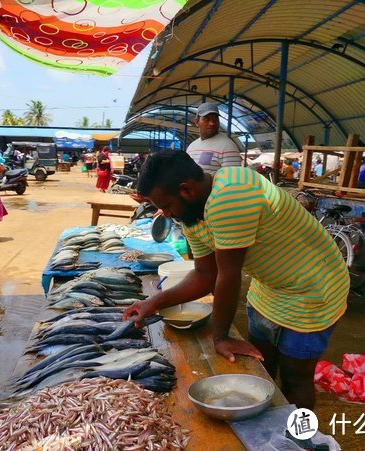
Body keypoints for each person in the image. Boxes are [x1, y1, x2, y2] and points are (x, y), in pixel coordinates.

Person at [125, 151, 349, 409]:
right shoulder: (192, 216)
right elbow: (205, 274)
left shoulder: (230, 195)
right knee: (260, 367)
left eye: (166, 205)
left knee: (295, 379)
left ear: (186, 190)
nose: (164, 213)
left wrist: (220, 336)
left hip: (314, 290)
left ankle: (299, 439)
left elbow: (227, 275)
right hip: (269, 288)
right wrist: (153, 303)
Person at [186, 102, 242, 174]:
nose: (212, 123)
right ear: (197, 122)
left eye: (215, 119)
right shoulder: (191, 147)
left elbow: (233, 179)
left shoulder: (227, 146)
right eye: (206, 119)